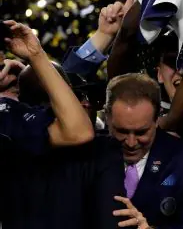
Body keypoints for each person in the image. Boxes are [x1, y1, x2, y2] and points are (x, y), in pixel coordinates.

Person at [0, 20, 122, 229]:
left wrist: (36, 59)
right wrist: (36, 58)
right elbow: (78, 130)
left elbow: (77, 127)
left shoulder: (11, 116)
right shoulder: (7, 116)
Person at [105, 73, 183, 228]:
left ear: (157, 119)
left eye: (141, 132)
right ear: (107, 117)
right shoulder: (89, 157)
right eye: (122, 131)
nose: (131, 143)